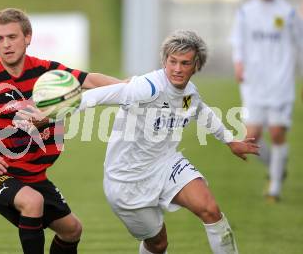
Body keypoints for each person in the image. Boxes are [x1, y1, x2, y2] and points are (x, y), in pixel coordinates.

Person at [0, 8, 121, 254]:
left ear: (27, 37)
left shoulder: (46, 73)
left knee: (72, 230)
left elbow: (89, 80)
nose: (5, 44)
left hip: (33, 175)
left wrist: (132, 88)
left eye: (12, 37)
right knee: (32, 201)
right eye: (0, 38)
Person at [76, 30, 259, 254]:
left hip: (166, 163)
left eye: (185, 63)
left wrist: (230, 141)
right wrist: (54, 112)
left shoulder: (189, 94)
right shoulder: (148, 87)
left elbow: (199, 110)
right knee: (158, 244)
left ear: (196, 65)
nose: (178, 69)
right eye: (172, 61)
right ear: (164, 61)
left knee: (211, 210)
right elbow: (99, 95)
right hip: (127, 179)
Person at [230, 0, 303, 202]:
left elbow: (301, 44)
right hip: (254, 84)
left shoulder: (288, 12)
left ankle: (275, 188)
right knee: (251, 137)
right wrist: (238, 64)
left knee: (277, 132)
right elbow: (237, 42)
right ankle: (276, 164)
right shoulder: (245, 12)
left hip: (280, 83)